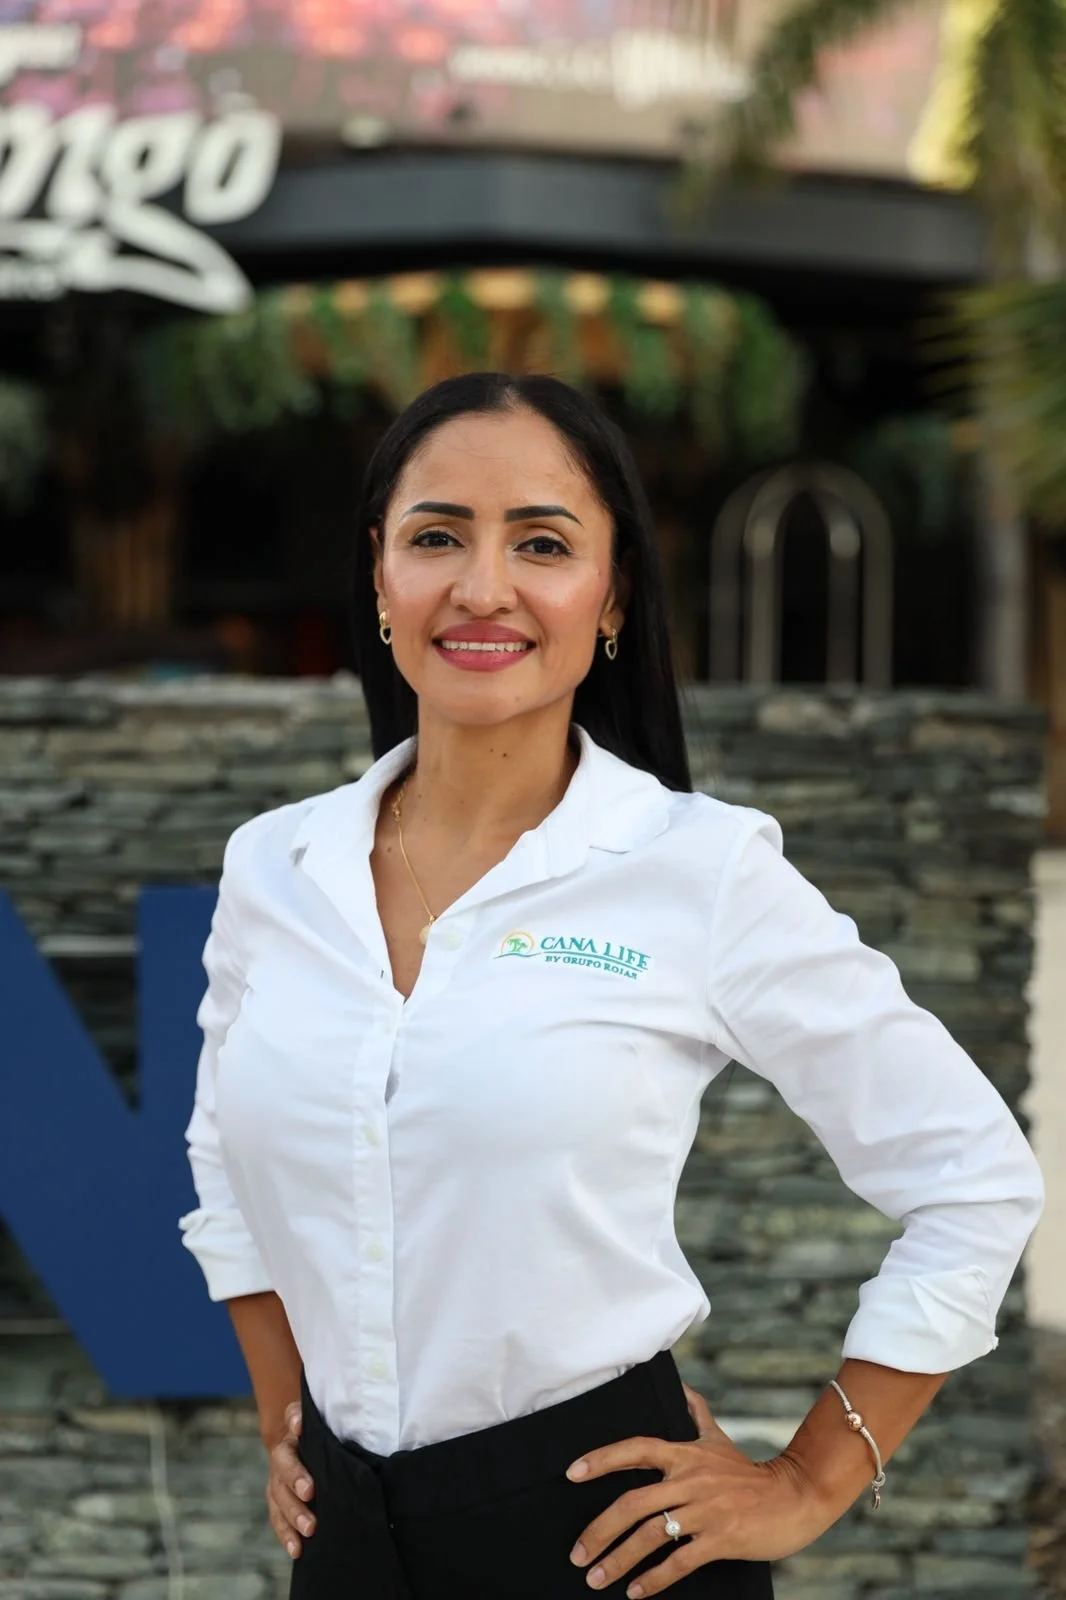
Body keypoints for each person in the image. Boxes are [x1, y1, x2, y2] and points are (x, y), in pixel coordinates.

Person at [178, 372, 1045, 1600]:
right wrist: (287, 1412)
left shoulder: (696, 868)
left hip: (607, 1546)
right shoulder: (276, 863)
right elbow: (223, 1152)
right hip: (347, 1542)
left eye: (541, 541)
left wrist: (808, 1482)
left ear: (613, 590)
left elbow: (971, 1175)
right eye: (437, 537)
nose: (483, 588)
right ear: (379, 575)